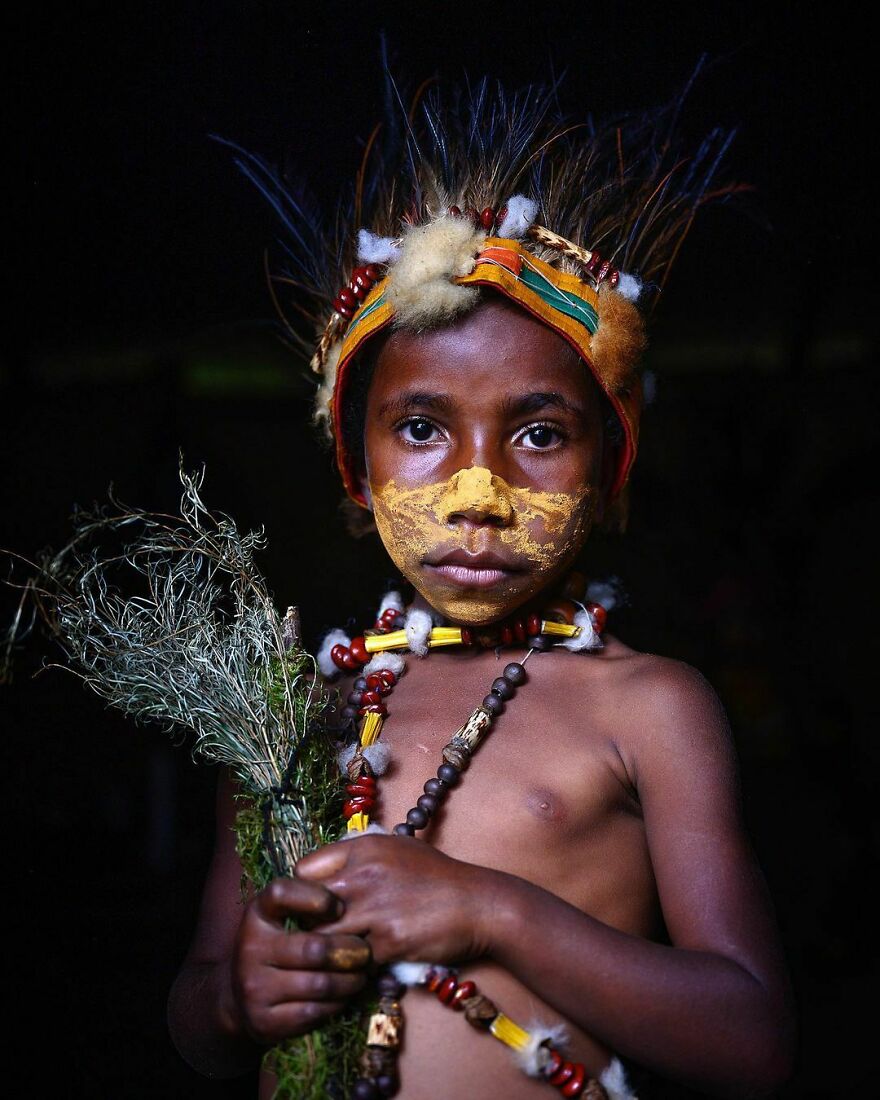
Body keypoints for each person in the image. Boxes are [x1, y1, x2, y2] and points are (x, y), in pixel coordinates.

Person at [168, 80, 795, 1099]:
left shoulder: (648, 705)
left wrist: (489, 909)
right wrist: (237, 998)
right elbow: (199, 1020)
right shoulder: (284, 705)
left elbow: (753, 1039)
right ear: (355, 470)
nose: (478, 494)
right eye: (420, 428)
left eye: (540, 434)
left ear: (609, 469)